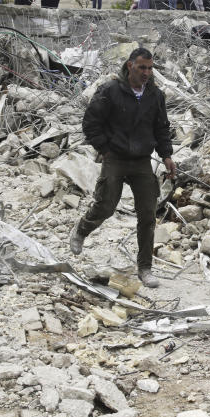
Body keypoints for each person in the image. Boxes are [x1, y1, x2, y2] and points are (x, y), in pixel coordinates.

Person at [70, 48, 176, 289]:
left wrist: (167, 156)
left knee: (148, 215)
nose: (147, 73)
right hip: (115, 157)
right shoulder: (110, 91)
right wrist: (105, 149)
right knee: (106, 206)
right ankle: (82, 229)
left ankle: (145, 268)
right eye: (142, 68)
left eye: (150, 68)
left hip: (141, 161)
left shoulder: (155, 95)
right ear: (130, 66)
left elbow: (161, 128)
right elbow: (91, 122)